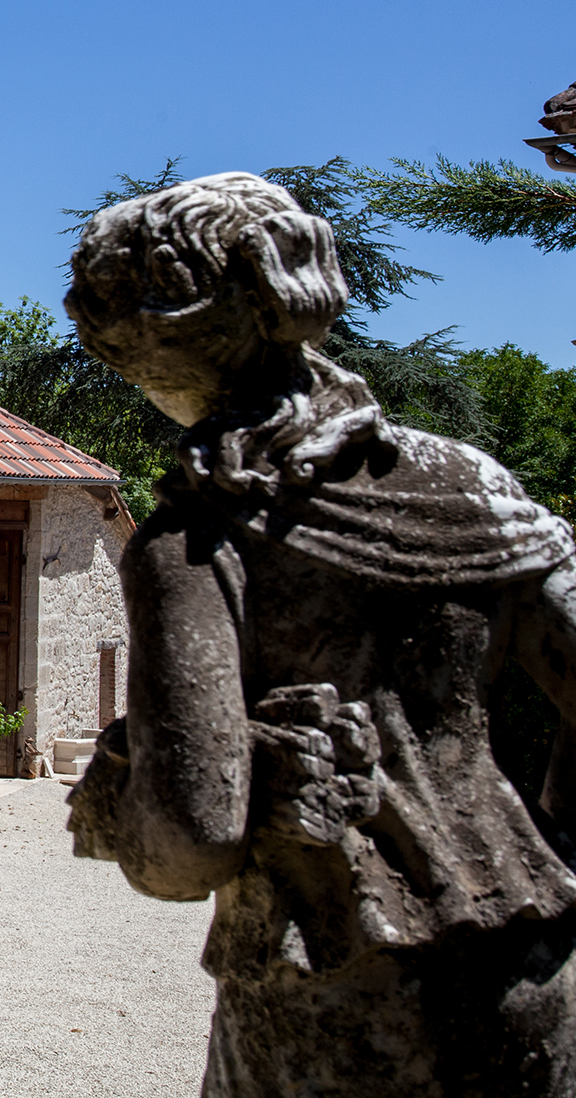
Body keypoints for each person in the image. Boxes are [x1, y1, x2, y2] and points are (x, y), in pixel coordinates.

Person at [62, 172, 576, 1097]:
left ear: (146, 348)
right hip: (532, 964)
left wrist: (120, 790)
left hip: (330, 984)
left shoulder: (198, 541)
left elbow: (191, 843)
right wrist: (543, 836)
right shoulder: (474, 483)